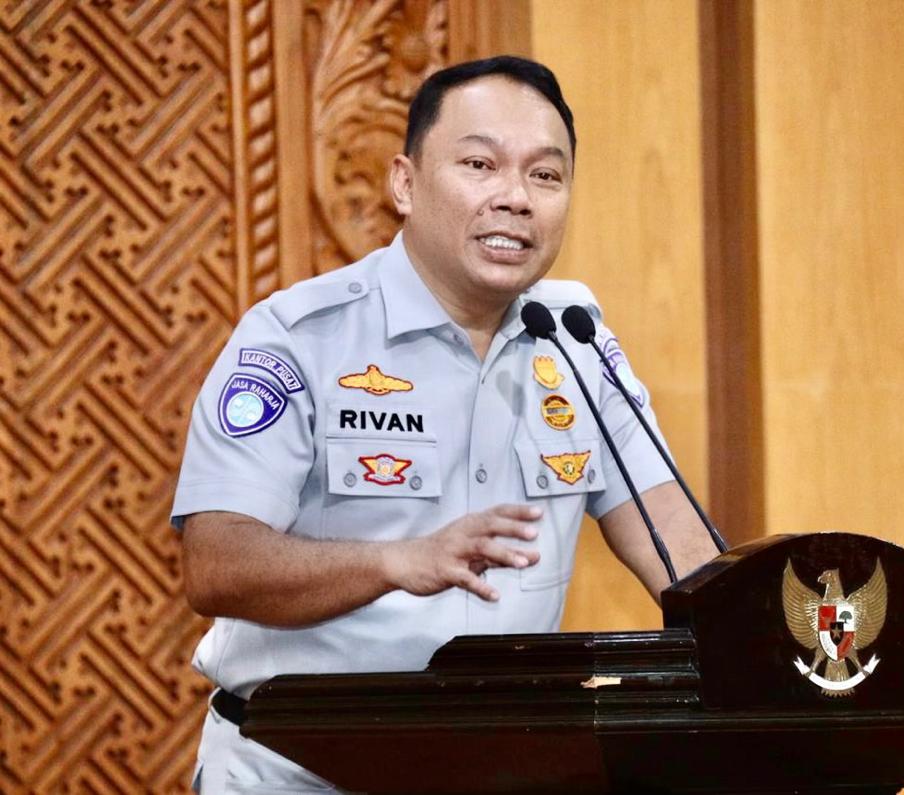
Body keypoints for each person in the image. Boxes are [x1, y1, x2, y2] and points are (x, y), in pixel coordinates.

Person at [172, 55, 719, 793]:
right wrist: (396, 562)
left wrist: (777, 645)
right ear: (405, 183)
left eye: (545, 175)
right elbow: (216, 563)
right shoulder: (299, 338)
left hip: (499, 771)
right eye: (480, 164)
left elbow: (678, 544)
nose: (515, 198)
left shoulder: (575, 338)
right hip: (299, 770)